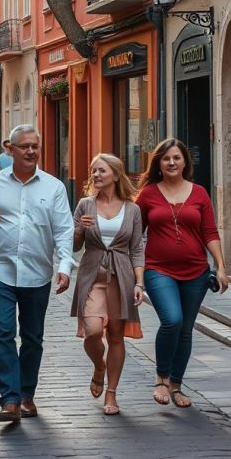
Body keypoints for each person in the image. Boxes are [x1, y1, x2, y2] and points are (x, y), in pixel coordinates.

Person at [0, 124, 73, 422]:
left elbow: (64, 229)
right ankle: (10, 399)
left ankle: (27, 394)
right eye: (24, 146)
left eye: (35, 146)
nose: (31, 151)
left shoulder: (54, 187)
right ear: (11, 150)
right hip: (0, 269)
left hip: (37, 272)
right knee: (3, 332)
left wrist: (65, 266)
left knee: (32, 337)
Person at [137, 138, 228, 408]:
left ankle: (176, 385)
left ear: (185, 161)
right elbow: (134, 235)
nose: (172, 162)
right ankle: (161, 378)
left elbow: (209, 232)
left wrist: (220, 266)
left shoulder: (199, 193)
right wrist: (136, 274)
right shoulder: (148, 194)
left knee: (186, 329)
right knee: (172, 320)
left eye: (177, 157)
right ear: (159, 163)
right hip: (158, 269)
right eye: (166, 158)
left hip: (196, 272)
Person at [72, 154, 144, 415]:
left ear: (115, 174)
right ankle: (99, 366)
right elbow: (74, 245)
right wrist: (79, 228)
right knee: (91, 331)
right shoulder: (84, 205)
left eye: (101, 171)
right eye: (93, 171)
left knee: (115, 335)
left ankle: (111, 394)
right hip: (92, 276)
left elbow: (137, 249)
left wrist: (139, 282)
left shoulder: (132, 209)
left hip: (122, 278)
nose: (95, 175)